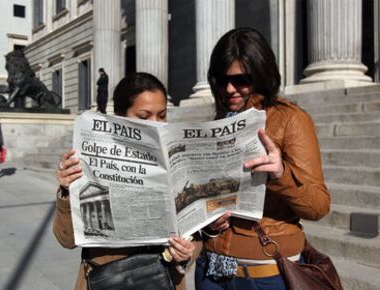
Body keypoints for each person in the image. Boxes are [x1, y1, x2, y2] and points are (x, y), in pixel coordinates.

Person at [195, 27, 331, 290]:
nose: (229, 89)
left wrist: (281, 175)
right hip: (212, 269)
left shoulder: (290, 119)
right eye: (221, 81)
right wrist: (208, 223)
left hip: (264, 274)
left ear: (261, 75)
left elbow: (319, 206)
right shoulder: (219, 122)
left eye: (241, 80)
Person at [54, 72, 202, 290]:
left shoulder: (178, 160)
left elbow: (195, 235)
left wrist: (188, 251)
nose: (156, 124)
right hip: (106, 280)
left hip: (164, 280)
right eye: (143, 117)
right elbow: (66, 240)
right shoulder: (90, 161)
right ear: (119, 116)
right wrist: (67, 192)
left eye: (162, 115)